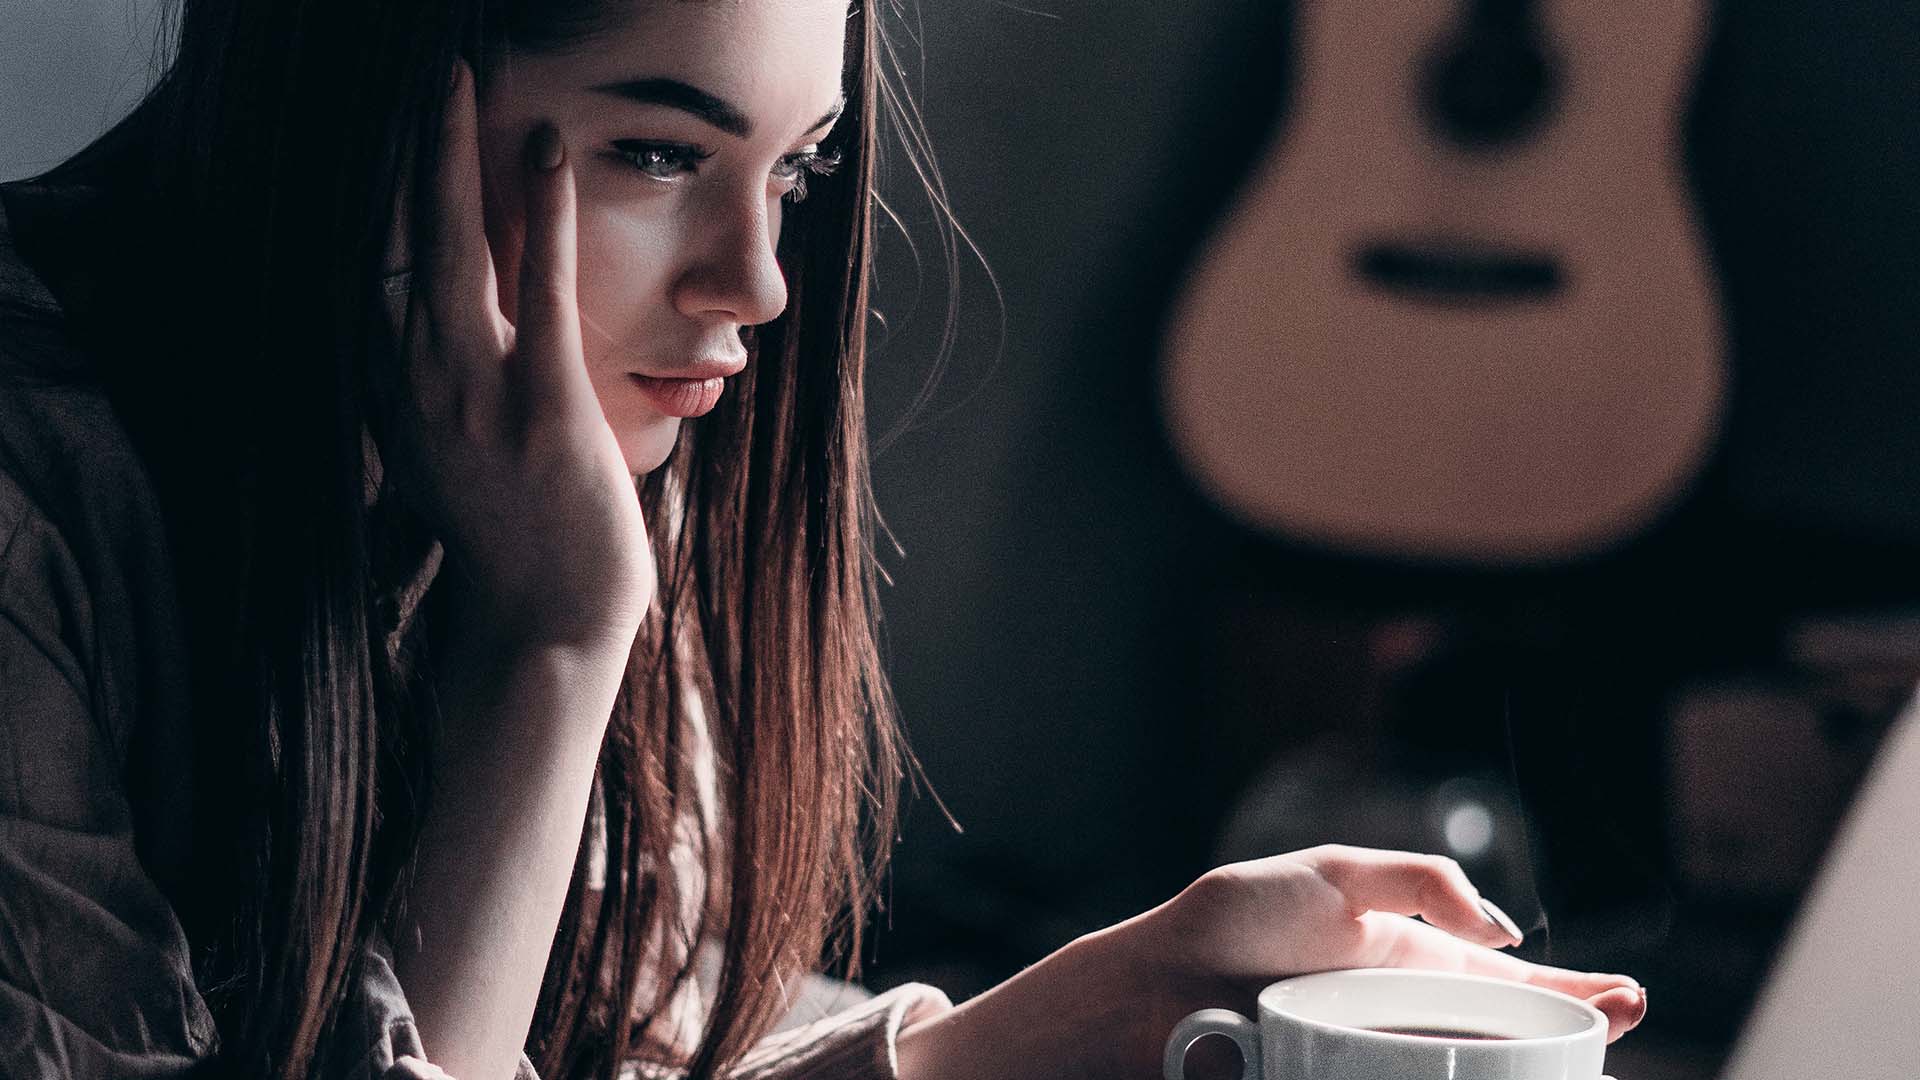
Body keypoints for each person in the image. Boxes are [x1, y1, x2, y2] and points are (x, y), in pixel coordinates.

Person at [0, 1, 1649, 1078]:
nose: (758, 285)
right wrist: (560, 651)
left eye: (796, 169)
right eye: (658, 151)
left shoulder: (547, 467)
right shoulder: (38, 513)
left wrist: (1067, 1016)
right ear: (357, 95)